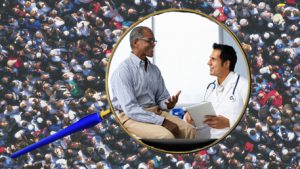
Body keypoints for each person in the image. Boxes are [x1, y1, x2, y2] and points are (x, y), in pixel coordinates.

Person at [110, 26, 196, 139]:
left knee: (190, 131)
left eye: (154, 41)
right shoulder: (122, 71)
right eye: (149, 40)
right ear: (136, 42)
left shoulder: (154, 69)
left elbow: (161, 98)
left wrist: (168, 104)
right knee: (166, 137)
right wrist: (163, 122)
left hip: (155, 112)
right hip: (131, 117)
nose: (153, 44)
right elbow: (131, 109)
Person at [185, 43, 248, 139]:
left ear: (226, 63)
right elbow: (205, 117)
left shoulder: (244, 86)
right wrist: (191, 117)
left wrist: (228, 123)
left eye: (213, 59)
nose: (208, 63)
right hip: (214, 141)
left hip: (236, 141)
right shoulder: (211, 88)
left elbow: (253, 120)